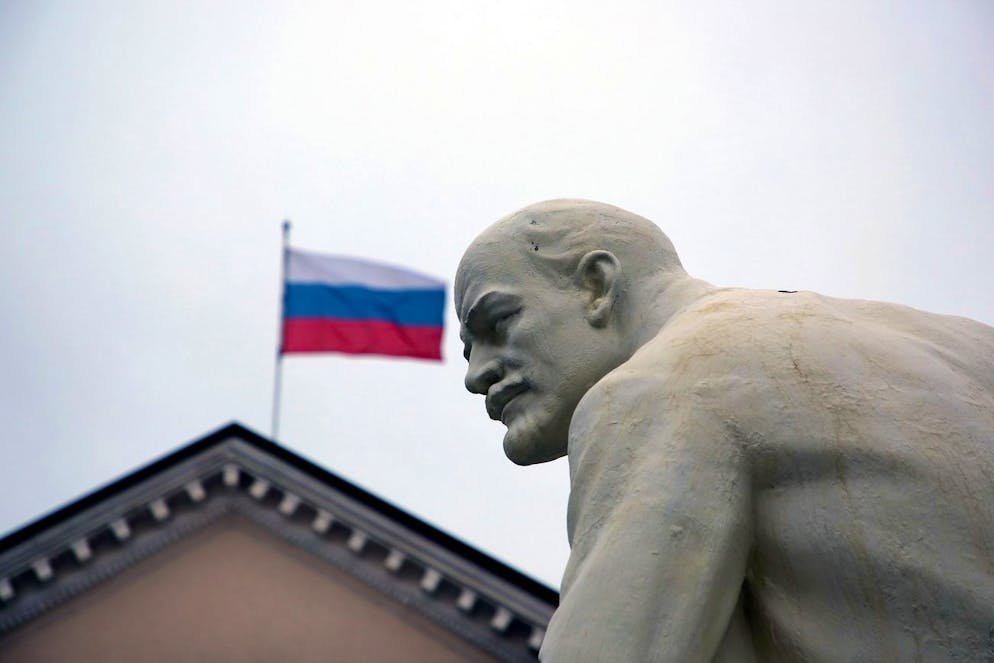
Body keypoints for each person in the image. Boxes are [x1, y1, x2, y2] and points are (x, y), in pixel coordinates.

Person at [455, 199, 994, 662]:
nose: (476, 374)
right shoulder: (960, 342)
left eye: (497, 324)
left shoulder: (662, 387)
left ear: (597, 286)